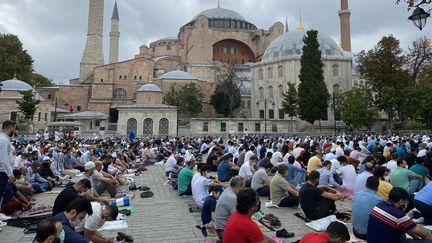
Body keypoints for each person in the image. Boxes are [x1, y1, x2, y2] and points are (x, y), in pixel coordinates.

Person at [368, 187, 432, 243]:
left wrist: (415, 237)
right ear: (401, 201)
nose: (405, 204)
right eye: (405, 201)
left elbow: (404, 227)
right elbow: (425, 234)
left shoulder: (379, 205)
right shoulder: (399, 215)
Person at [214, 176, 245, 241]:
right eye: (243, 187)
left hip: (221, 227)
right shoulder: (232, 197)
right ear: (238, 186)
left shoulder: (228, 190)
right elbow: (238, 218)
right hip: (223, 230)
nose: (243, 189)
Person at [0, 120, 18, 221]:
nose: (15, 131)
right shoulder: (3, 139)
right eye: (15, 128)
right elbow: (3, 159)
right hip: (2, 171)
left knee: (1, 193)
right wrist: (10, 173)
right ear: (10, 127)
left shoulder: (5, 139)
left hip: (3, 171)